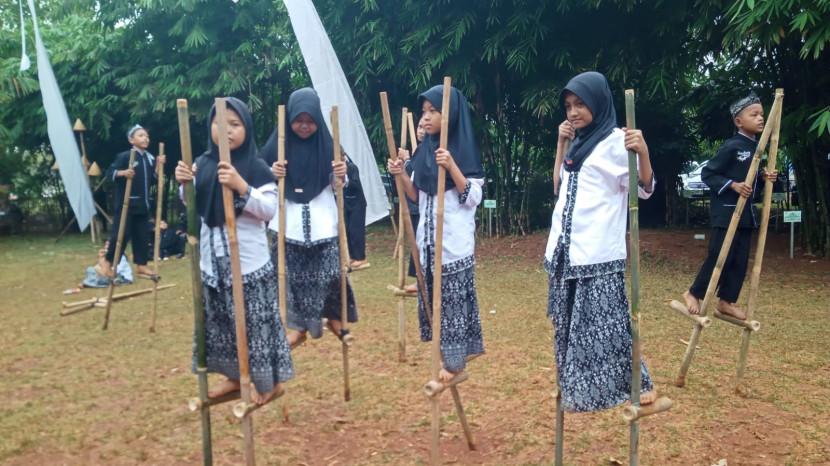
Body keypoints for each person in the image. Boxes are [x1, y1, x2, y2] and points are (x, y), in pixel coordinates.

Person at [545, 71, 656, 412]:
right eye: (568, 106)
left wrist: (643, 152)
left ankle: (640, 382)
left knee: (609, 326)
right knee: (569, 325)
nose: (573, 112)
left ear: (598, 102)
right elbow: (557, 185)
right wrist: (561, 144)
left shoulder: (616, 142)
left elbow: (645, 188)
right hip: (565, 252)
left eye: (580, 104)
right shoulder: (576, 143)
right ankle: (577, 386)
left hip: (598, 254)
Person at [174, 97, 293, 405]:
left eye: (235, 124)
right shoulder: (203, 163)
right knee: (223, 323)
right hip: (213, 263)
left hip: (248, 265)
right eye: (219, 123)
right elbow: (192, 203)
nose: (226, 130)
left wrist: (242, 186)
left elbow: (269, 210)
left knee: (255, 325)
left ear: (247, 129)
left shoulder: (256, 167)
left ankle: (270, 384)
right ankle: (234, 378)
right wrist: (185, 184)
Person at [388, 84, 485, 382]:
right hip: (428, 244)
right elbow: (416, 196)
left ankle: (455, 364)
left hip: (453, 245)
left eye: (434, 111)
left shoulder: (462, 151)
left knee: (453, 306)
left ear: (450, 114)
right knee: (435, 305)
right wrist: (400, 175)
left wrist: (452, 166)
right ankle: (454, 355)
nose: (426, 117)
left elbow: (473, 197)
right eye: (424, 112)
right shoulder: (424, 153)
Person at [261, 87, 358, 348]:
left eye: (310, 120)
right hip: (288, 224)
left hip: (323, 224)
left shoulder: (329, 146)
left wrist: (341, 174)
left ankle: (335, 319)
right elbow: (257, 178)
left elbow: (341, 185)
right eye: (298, 120)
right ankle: (299, 327)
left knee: (332, 274)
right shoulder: (277, 146)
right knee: (290, 279)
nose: (304, 126)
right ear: (289, 118)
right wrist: (272, 172)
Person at [683, 92, 777, 319]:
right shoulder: (732, 146)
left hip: (746, 214)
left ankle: (726, 301)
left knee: (739, 260)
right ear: (738, 121)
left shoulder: (758, 148)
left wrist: (764, 177)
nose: (760, 118)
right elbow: (708, 174)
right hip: (726, 213)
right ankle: (694, 292)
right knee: (719, 256)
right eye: (754, 114)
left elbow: (751, 183)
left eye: (762, 114)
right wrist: (733, 185)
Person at [99, 125, 164, 279]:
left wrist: (158, 166)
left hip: (143, 205)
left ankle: (141, 265)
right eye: (141, 135)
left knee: (142, 236)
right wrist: (123, 173)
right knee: (121, 235)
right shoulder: (125, 156)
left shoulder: (149, 159)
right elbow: (110, 174)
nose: (145, 138)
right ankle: (108, 262)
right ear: (131, 140)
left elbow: (152, 180)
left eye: (146, 136)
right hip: (126, 204)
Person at [400, 116, 426, 293]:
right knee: (416, 243)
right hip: (415, 205)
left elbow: (416, 175)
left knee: (420, 244)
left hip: (422, 206)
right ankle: (419, 279)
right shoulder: (421, 150)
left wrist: (407, 161)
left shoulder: (428, 150)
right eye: (419, 127)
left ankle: (421, 281)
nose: (421, 130)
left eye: (424, 127)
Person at [343, 153, 370, 270]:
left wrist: (345, 180)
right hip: (347, 204)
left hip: (357, 204)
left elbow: (356, 184)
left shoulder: (352, 167)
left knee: (356, 231)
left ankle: (361, 258)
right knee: (348, 230)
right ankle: (352, 256)